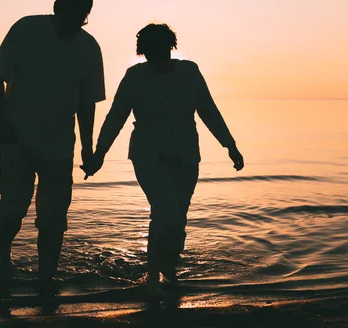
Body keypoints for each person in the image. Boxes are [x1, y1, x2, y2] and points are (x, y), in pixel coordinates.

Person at [81, 23, 244, 292]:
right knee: (166, 211)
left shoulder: (189, 72)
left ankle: (169, 269)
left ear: (170, 46)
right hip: (148, 155)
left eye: (160, 49)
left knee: (178, 216)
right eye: (149, 51)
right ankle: (153, 276)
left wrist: (230, 144)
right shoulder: (134, 76)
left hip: (186, 154)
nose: (155, 56)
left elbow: (208, 110)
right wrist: (99, 154)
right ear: (142, 51)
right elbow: (115, 118)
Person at [0, 0, 106, 294]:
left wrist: (88, 147)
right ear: (57, 7)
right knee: (13, 209)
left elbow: (86, 103)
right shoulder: (26, 29)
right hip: (18, 140)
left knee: (54, 218)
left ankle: (46, 277)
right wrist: (2, 123)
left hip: (59, 147)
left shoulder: (89, 48)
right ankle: (3, 260)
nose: (75, 23)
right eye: (72, 16)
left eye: (82, 18)